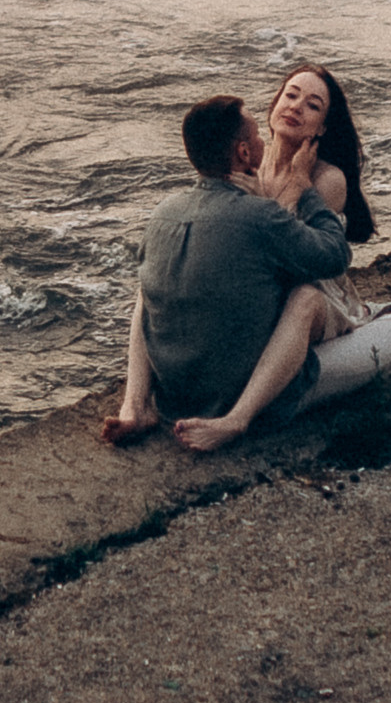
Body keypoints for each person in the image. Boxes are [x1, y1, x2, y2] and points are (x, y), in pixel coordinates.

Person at [101, 89, 350, 451]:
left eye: (311, 103)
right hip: (245, 392)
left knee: (147, 287)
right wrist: (302, 187)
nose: (296, 106)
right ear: (244, 153)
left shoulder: (163, 212)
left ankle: (135, 405)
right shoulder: (263, 213)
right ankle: (237, 421)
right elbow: (334, 255)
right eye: (257, 138)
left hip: (176, 395)